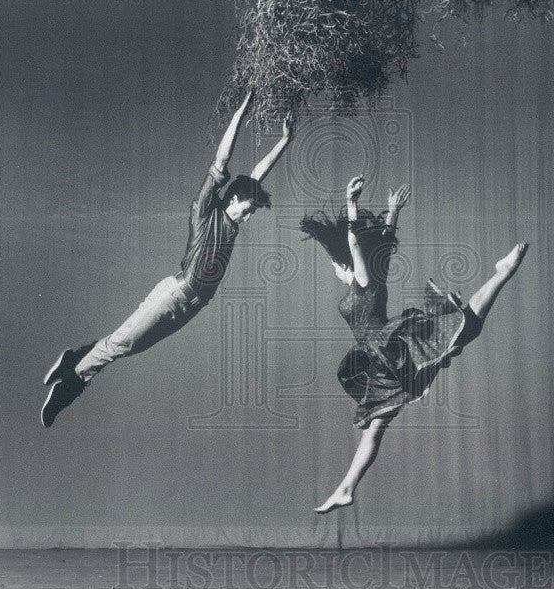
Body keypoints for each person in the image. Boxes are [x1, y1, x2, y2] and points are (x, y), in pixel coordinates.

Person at [41, 91, 293, 426]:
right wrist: (241, 112)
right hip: (174, 294)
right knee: (121, 344)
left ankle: (76, 357)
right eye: (247, 210)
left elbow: (258, 175)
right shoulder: (205, 211)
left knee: (128, 347)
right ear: (232, 197)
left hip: (192, 307)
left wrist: (286, 140)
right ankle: (70, 384)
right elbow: (223, 159)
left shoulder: (233, 223)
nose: (247, 218)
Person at [301, 175, 528, 512]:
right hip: (383, 359)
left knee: (462, 329)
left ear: (343, 262)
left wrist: (351, 204)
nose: (333, 268)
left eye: (335, 262)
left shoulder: (364, 281)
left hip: (386, 353)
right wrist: (392, 212)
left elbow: (354, 244)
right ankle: (346, 487)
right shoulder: (370, 280)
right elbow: (385, 248)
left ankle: (502, 273)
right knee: (377, 425)